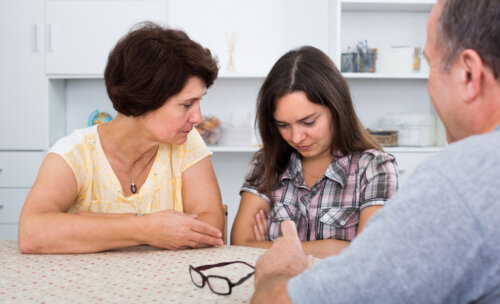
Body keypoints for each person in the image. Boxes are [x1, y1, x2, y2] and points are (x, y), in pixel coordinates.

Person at [252, 0, 500, 302]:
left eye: (430, 65)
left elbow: (278, 301)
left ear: (469, 74)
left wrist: (278, 269)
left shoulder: (460, 180)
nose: (297, 136)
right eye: (284, 124)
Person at [18, 22, 225, 254]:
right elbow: (32, 233)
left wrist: (97, 224)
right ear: (143, 99)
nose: (197, 117)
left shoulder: (187, 144)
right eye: (187, 105)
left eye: (199, 101)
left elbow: (212, 228)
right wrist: (148, 228)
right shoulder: (74, 153)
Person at [231, 46, 399, 258]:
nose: (296, 137)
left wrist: (269, 248)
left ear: (336, 108)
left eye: (308, 122)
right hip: (272, 289)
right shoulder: (267, 162)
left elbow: (369, 255)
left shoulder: (376, 168)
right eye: (283, 125)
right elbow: (239, 245)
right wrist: (332, 248)